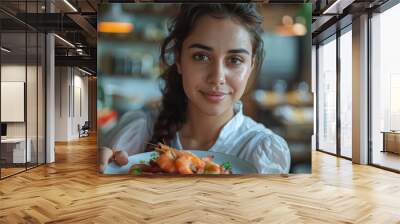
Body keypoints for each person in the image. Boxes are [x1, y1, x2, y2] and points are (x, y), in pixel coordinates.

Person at [99, 3, 291, 174]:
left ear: (251, 66)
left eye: (234, 60)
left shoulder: (263, 151)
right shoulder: (138, 133)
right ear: (179, 60)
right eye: (201, 56)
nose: (217, 77)